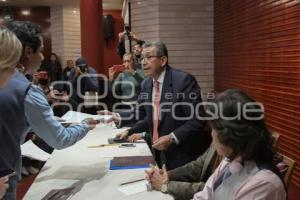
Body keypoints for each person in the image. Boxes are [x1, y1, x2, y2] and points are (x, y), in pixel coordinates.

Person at [0, 21, 98, 200]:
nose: (43, 57)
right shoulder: (25, 90)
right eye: (41, 50)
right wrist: (85, 125)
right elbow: (60, 139)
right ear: (28, 51)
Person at [100, 41, 210, 170]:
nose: (143, 62)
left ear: (163, 60)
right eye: (141, 58)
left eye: (148, 57)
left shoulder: (183, 81)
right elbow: (140, 112)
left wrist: (172, 138)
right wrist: (117, 116)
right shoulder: (147, 84)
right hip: (157, 152)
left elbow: (198, 119)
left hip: (182, 155)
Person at [193, 89, 286, 200]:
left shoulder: (263, 184)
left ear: (229, 135)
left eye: (214, 129)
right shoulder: (230, 159)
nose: (212, 134)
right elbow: (205, 196)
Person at [145, 145, 220, 200]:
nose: (211, 134)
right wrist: (168, 174)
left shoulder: (229, 163)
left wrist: (166, 186)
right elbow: (198, 166)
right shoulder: (218, 141)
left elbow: (211, 191)